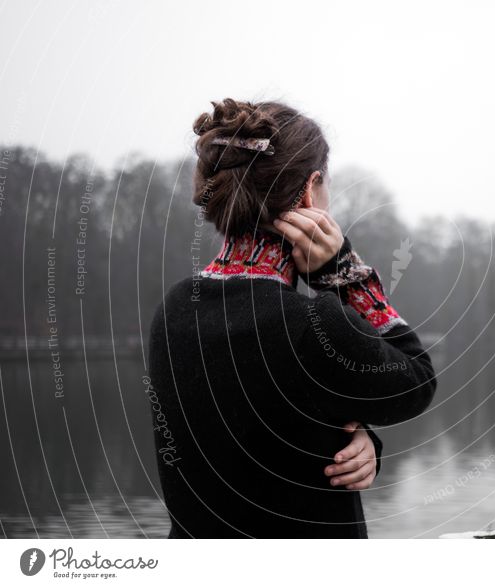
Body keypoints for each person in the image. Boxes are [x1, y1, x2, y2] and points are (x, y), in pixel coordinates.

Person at [147, 98, 437, 538]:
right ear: (309, 190)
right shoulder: (316, 326)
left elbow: (272, 425)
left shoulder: (173, 309)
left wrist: (356, 436)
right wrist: (344, 273)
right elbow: (417, 381)